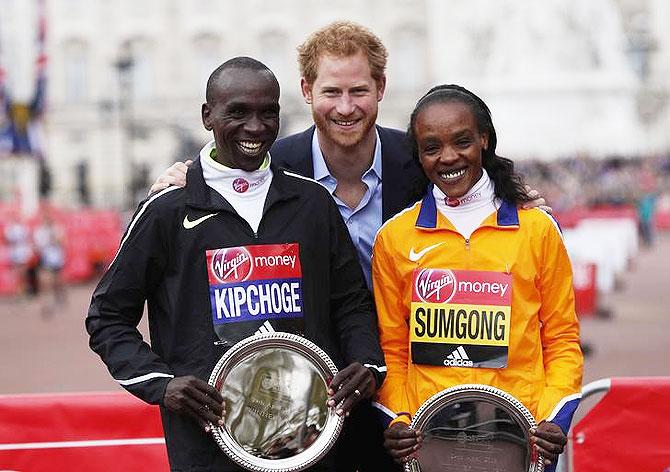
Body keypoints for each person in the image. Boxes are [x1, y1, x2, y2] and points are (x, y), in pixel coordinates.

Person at [149, 21, 549, 472]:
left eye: (358, 91)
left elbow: (476, 179)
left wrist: (514, 194)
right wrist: (183, 178)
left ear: (380, 88)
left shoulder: (421, 158)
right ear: (306, 90)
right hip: (309, 385)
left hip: (412, 381)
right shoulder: (270, 165)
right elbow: (219, 176)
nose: (345, 108)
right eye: (331, 92)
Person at [86, 57, 385, 472]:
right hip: (210, 448)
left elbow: (351, 303)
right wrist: (163, 385)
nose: (256, 127)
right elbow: (107, 317)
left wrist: (367, 365)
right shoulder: (167, 210)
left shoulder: (313, 202)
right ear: (208, 116)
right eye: (238, 112)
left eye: (268, 113)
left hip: (313, 445)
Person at [373, 84, 583, 471]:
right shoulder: (394, 238)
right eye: (431, 147)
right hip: (431, 442)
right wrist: (399, 418)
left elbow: (562, 340)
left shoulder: (537, 229)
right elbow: (393, 348)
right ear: (418, 155)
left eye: (462, 141)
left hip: (521, 439)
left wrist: (554, 417)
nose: (448, 157)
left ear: (484, 140)